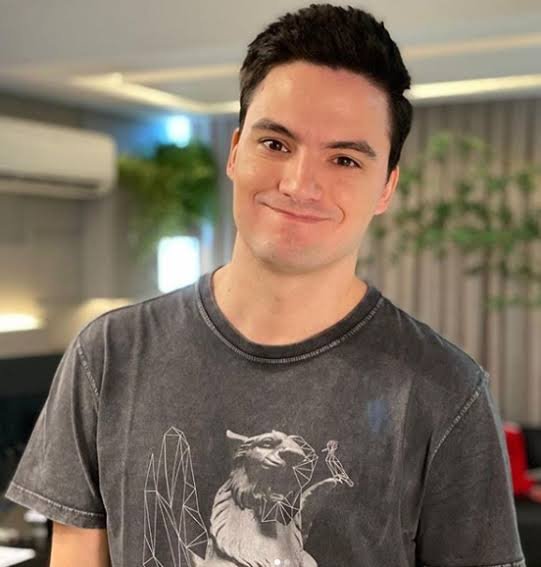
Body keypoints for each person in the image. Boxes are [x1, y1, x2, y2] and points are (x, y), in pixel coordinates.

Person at [4, 4, 525, 567]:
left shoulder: (446, 392)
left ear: (386, 188)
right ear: (235, 152)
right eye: (276, 144)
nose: (300, 183)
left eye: (345, 159)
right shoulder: (108, 355)